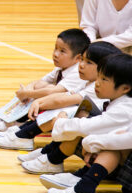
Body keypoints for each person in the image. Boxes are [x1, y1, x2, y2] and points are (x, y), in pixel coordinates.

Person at [17, 41, 118, 175]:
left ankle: (51, 157)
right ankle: (48, 151)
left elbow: (63, 99)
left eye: (88, 62)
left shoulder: (98, 88)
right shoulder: (87, 81)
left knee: (74, 116)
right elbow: (63, 95)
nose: (81, 65)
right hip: (97, 140)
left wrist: (38, 100)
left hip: (111, 153)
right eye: (82, 59)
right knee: (70, 113)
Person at [45, 53, 132, 193]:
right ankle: (82, 177)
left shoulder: (126, 108)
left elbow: (99, 129)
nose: (97, 83)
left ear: (125, 88)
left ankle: (82, 188)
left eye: (104, 79)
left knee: (110, 147)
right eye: (98, 77)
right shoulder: (119, 102)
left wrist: (90, 143)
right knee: (85, 116)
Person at [0, 28, 89, 150]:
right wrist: (28, 90)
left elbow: (54, 92)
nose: (55, 54)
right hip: (58, 106)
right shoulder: (61, 68)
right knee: (41, 87)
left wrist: (28, 93)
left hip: (68, 112)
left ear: (78, 58)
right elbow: (39, 82)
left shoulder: (76, 72)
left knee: (48, 91)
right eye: (55, 48)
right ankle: (13, 120)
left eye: (62, 51)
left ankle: (23, 130)